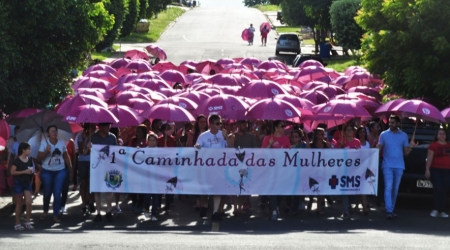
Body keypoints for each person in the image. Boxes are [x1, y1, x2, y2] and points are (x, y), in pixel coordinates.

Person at [378, 115, 415, 219]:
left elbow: (406, 153)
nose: (391, 124)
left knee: (395, 189)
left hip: (399, 165)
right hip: (387, 165)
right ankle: (389, 210)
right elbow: (379, 149)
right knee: (388, 187)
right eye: (390, 122)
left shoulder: (403, 135)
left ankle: (392, 209)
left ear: (398, 123)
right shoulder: (383, 134)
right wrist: (376, 148)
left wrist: (411, 147)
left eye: (393, 122)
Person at [194, 114, 228, 221]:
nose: (220, 125)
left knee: (217, 190)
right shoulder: (203, 136)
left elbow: (230, 148)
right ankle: (204, 204)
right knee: (205, 191)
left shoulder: (223, 134)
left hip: (219, 167)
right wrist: (198, 147)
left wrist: (227, 137)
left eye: (220, 123)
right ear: (211, 124)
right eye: (217, 123)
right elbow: (197, 146)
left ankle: (215, 212)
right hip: (207, 168)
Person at [37, 125, 72, 223]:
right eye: (52, 131)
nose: (54, 133)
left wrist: (71, 169)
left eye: (55, 131)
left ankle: (56, 214)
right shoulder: (44, 144)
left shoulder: (61, 143)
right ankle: (45, 210)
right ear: (48, 133)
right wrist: (46, 152)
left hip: (60, 170)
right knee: (47, 193)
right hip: (47, 170)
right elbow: (39, 158)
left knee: (57, 193)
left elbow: (66, 156)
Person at [86, 123, 117, 222]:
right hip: (96, 167)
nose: (109, 127)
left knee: (110, 188)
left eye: (110, 126)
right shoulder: (92, 137)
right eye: (107, 126)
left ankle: (108, 211)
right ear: (101, 126)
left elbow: (117, 152)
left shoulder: (112, 137)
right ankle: (98, 212)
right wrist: (88, 148)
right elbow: (84, 152)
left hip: (109, 167)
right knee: (97, 190)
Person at [227, 120, 258, 215]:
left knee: (245, 187)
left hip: (247, 165)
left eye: (246, 123)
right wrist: (231, 142)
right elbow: (228, 150)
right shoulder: (232, 136)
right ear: (238, 125)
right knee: (236, 186)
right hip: (235, 165)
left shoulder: (251, 136)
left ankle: (240, 206)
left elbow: (255, 150)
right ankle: (235, 207)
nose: (245, 125)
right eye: (243, 123)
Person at [261, 120, 291, 220]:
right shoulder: (267, 138)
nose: (284, 128)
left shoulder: (286, 139)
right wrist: (269, 145)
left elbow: (289, 153)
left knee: (281, 190)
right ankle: (274, 210)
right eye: (281, 126)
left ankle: (275, 206)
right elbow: (263, 154)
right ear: (276, 128)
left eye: (284, 126)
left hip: (283, 169)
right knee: (273, 189)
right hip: (271, 169)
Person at [335, 124, 361, 219]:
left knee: (353, 191)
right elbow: (334, 155)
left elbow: (360, 156)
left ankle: (349, 206)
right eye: (348, 130)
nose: (349, 131)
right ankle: (345, 211)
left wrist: (358, 151)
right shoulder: (340, 142)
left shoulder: (357, 142)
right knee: (345, 191)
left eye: (351, 130)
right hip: (343, 170)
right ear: (344, 132)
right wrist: (340, 146)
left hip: (354, 170)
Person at [425, 127, 450, 218]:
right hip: (436, 170)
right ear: (437, 135)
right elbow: (429, 158)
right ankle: (435, 209)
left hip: (447, 170)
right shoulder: (433, 146)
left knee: (445, 189)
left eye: (443, 134)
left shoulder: (449, 145)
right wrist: (427, 169)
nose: (442, 135)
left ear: (446, 135)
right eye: (440, 133)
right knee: (438, 188)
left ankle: (442, 210)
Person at [10, 142, 35, 230]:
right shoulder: (17, 160)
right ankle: (17, 223)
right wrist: (24, 171)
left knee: (29, 202)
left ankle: (28, 222)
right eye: (28, 149)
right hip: (18, 183)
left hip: (27, 183)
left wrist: (31, 173)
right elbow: (12, 172)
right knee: (19, 204)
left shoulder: (30, 159)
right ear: (23, 150)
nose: (30, 151)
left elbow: (32, 169)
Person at [143, 132, 160, 221]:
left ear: (156, 142)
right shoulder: (143, 151)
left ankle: (154, 214)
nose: (152, 142)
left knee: (156, 196)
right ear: (147, 141)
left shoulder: (160, 151)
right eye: (150, 140)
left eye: (154, 140)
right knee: (147, 196)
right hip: (146, 177)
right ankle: (146, 209)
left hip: (157, 177)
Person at [356, 126, 371, 215]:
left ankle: (358, 206)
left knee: (362, 187)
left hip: (366, 167)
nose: (362, 133)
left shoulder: (367, 143)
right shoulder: (356, 142)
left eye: (364, 132)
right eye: (361, 132)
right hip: (357, 168)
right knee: (361, 187)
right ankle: (364, 206)